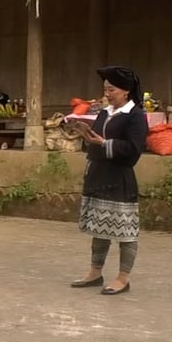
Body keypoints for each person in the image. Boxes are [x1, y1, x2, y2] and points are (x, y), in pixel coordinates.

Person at [68, 66, 149, 295]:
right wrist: (86, 136)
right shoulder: (105, 112)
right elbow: (96, 139)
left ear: (126, 91)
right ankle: (95, 272)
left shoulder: (135, 116)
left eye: (111, 89)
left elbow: (135, 148)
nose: (107, 93)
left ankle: (123, 278)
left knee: (125, 231)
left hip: (119, 177)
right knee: (99, 227)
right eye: (105, 89)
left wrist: (103, 143)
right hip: (98, 175)